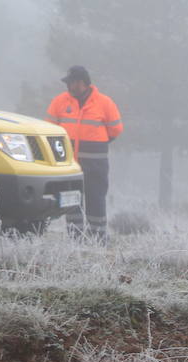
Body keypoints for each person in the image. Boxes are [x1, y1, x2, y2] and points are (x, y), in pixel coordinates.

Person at [47, 65, 123, 240]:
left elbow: (116, 130)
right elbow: (50, 130)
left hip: (95, 164)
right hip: (69, 164)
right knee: (70, 199)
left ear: (81, 83)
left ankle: (98, 237)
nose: (68, 86)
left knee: (96, 199)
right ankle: (75, 237)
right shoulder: (60, 101)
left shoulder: (105, 103)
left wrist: (96, 144)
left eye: (71, 82)